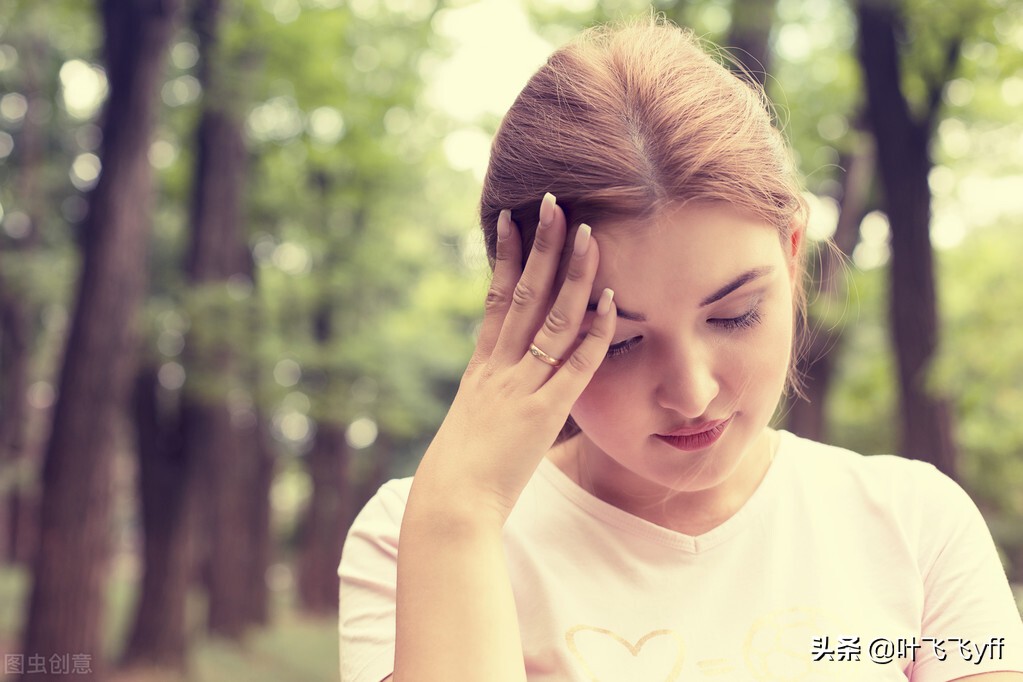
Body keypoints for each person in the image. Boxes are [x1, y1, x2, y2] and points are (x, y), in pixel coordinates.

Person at [337, 16, 1023, 682]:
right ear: (528, 318)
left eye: (733, 315)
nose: (691, 393)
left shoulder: (915, 525)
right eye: (620, 342)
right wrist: (459, 514)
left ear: (790, 258)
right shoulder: (415, 535)